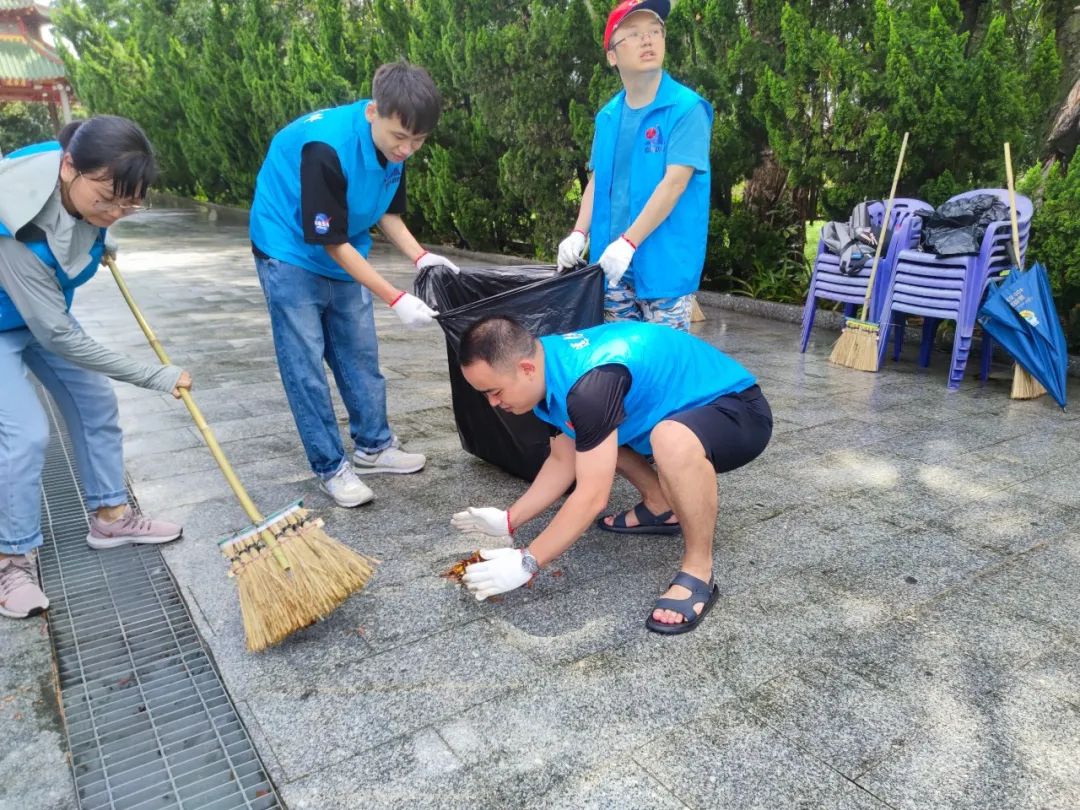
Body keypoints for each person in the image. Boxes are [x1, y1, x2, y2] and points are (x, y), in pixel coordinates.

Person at [450, 316, 772, 634]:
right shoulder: (548, 368)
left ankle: (699, 570)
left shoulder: (588, 386)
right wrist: (510, 519)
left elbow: (592, 497)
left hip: (739, 411)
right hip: (679, 411)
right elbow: (564, 459)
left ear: (526, 369)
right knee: (595, 444)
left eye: (494, 391)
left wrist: (528, 561)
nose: (492, 404)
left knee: (669, 439)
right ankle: (661, 507)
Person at [0, 115, 191, 619]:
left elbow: (75, 228)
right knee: (25, 434)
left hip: (35, 312)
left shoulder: (74, 156)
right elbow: (57, 335)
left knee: (95, 401)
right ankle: (10, 559)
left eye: (130, 202)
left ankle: (110, 517)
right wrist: (155, 375)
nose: (116, 210)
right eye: (107, 199)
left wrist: (100, 233)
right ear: (68, 168)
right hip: (17, 319)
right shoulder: (13, 221)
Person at [250, 61, 460, 508]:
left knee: (359, 352)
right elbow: (331, 242)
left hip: (342, 244)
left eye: (417, 141)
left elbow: (386, 210)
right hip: (286, 248)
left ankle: (374, 447)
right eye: (398, 137)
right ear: (372, 113)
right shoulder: (326, 148)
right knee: (304, 364)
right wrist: (396, 296)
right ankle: (330, 466)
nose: (406, 149)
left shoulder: (397, 147)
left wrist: (420, 256)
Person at [556, 0, 713, 333]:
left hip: (664, 269)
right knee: (619, 364)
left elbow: (674, 184)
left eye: (655, 31)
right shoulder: (609, 117)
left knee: (661, 366)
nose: (648, 40)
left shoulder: (686, 109)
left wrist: (628, 242)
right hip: (613, 270)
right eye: (634, 33)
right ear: (612, 55)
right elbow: (597, 183)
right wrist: (578, 233)